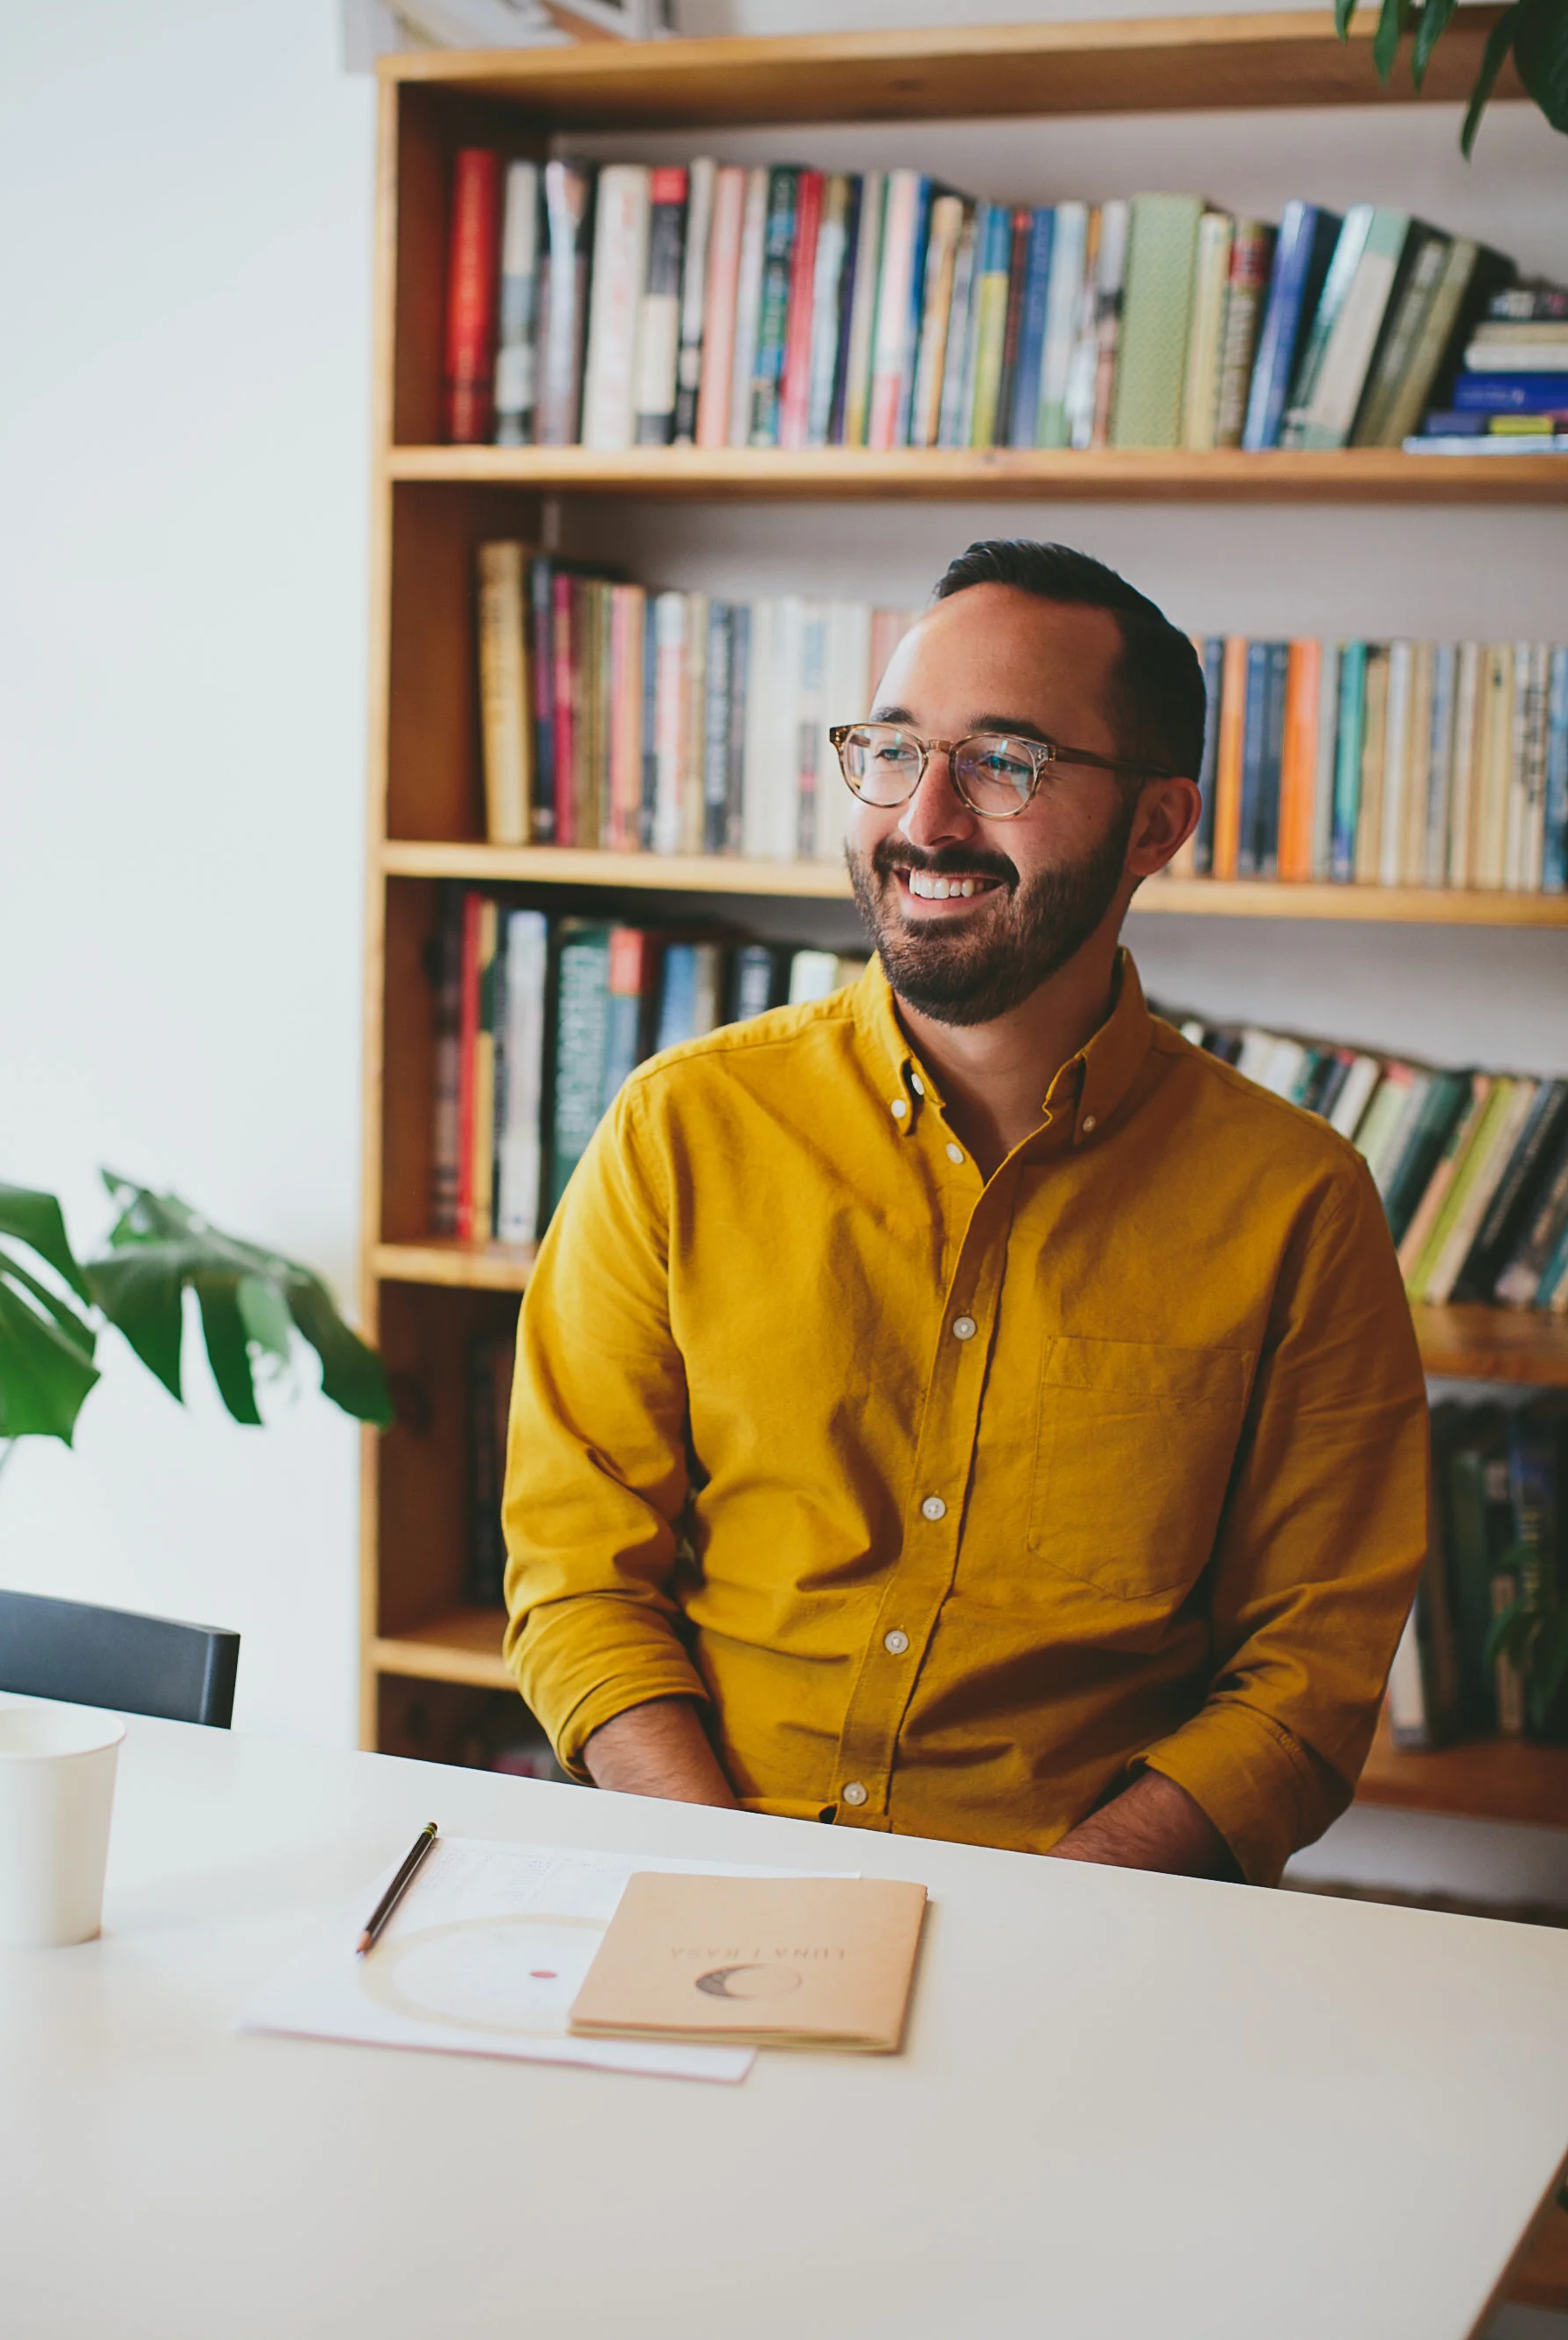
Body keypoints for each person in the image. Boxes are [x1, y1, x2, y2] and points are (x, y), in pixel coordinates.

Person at [502, 540, 1428, 1885]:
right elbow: (578, 1579)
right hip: (702, 1871)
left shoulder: (1296, 1205)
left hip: (1097, 1927)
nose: (925, 819)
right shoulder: (680, 1132)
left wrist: (1055, 1913)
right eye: (893, 749)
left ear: (1157, 826)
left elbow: (1309, 1677)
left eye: (1006, 764)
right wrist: (730, 1894)